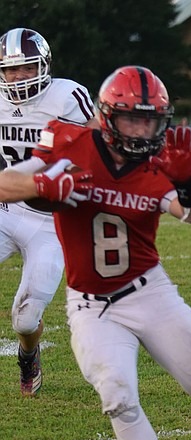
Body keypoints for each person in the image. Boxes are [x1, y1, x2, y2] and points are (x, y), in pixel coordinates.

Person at [0, 65, 191, 440]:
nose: (143, 130)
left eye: (151, 119)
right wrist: (43, 186)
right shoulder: (70, 143)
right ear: (108, 116)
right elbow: (6, 184)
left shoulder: (161, 161)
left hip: (151, 294)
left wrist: (188, 184)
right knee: (118, 395)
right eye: (133, 118)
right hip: (91, 305)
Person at [0, 27, 95, 397]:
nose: (18, 76)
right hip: (6, 209)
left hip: (49, 221)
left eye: (26, 68)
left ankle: (29, 351)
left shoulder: (67, 96)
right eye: (10, 70)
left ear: (44, 65)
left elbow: (98, 144)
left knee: (25, 319)